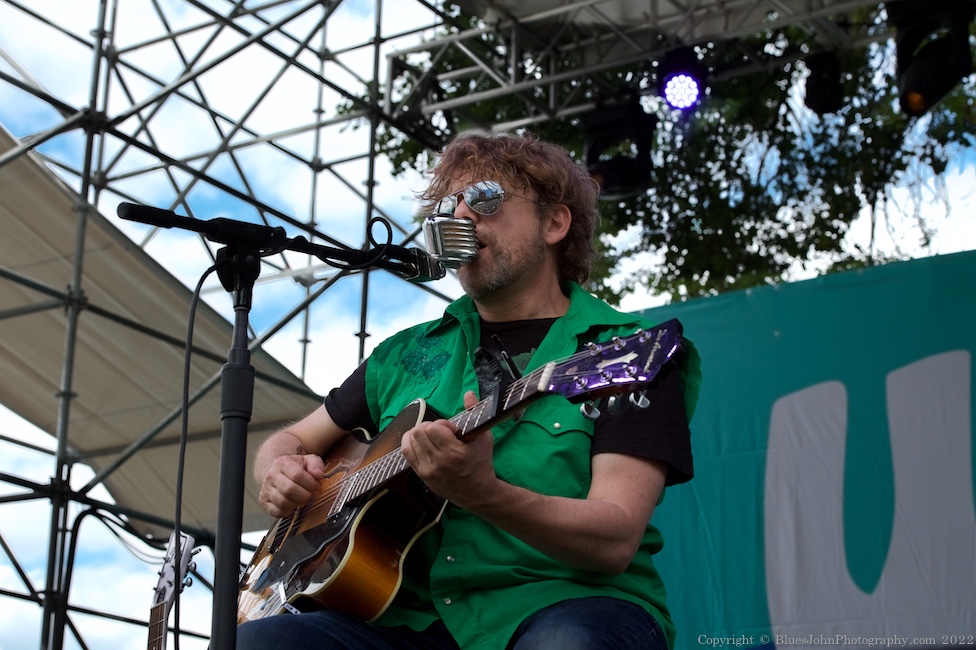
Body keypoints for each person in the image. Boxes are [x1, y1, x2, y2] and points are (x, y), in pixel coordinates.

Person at [236, 130, 701, 650]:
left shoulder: (623, 351)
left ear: (554, 223)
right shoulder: (405, 353)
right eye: (449, 206)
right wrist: (278, 471)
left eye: (484, 199)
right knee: (256, 644)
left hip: (564, 604)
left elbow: (614, 538)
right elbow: (292, 441)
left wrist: (484, 494)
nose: (461, 216)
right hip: (400, 619)